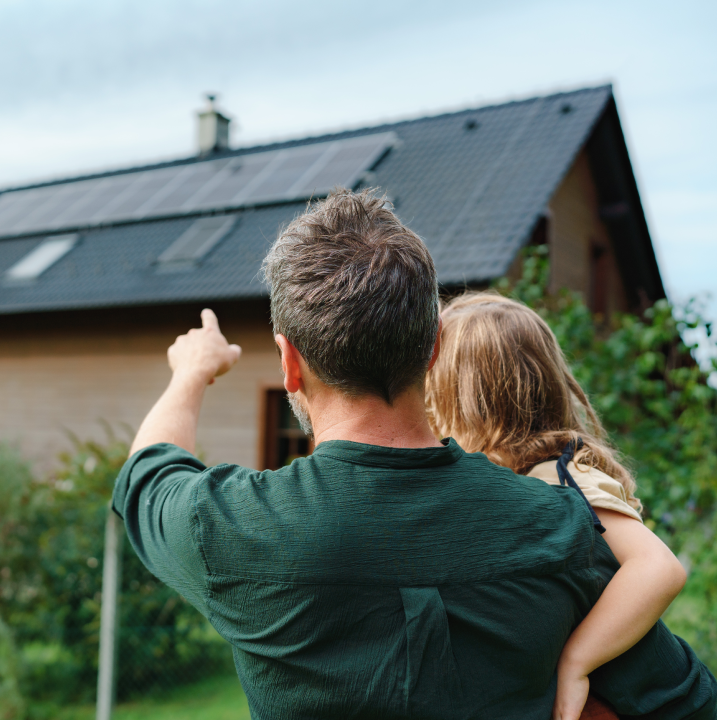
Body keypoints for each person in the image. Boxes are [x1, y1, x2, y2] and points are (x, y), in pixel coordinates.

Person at [111, 189, 716, 719]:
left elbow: (149, 469)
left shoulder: (228, 527)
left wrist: (191, 373)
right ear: (431, 350)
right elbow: (688, 702)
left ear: (289, 363)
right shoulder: (559, 525)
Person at [425, 292, 689, 720]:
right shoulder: (520, 479)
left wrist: (576, 663)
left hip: (664, 704)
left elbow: (659, 568)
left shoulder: (563, 477)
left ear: (465, 401)